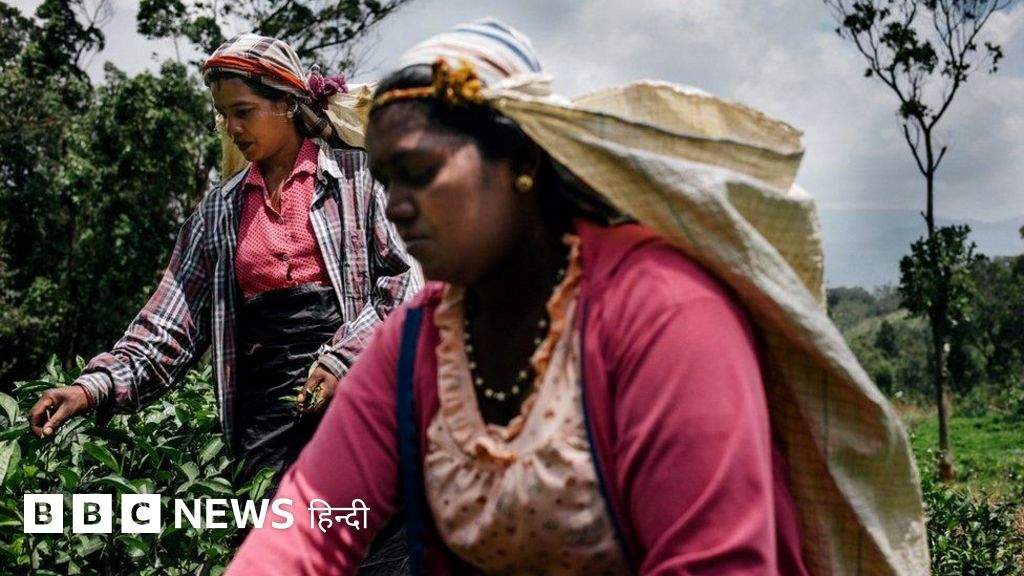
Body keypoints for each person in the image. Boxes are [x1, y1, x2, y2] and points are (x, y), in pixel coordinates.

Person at [226, 20, 930, 575]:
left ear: (521, 161)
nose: (397, 205)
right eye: (387, 180)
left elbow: (713, 560)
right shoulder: (417, 342)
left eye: (421, 171)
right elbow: (310, 520)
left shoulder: (662, 315)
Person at [27, 33, 420, 519]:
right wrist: (91, 387)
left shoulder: (359, 180)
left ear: (287, 103)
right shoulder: (218, 212)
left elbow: (402, 290)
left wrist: (343, 360)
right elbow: (168, 327)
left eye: (243, 111)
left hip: (361, 413)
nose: (231, 127)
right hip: (266, 434)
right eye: (223, 114)